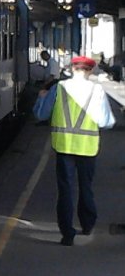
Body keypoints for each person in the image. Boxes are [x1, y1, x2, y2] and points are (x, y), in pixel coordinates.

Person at [49, 55, 114, 245]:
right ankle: (87, 224)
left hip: (64, 146)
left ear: (71, 68)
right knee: (86, 187)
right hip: (88, 147)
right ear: (90, 71)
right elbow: (105, 121)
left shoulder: (59, 88)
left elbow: (40, 113)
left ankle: (67, 234)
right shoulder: (97, 90)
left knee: (65, 190)